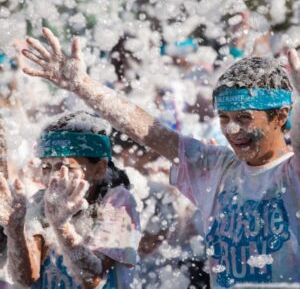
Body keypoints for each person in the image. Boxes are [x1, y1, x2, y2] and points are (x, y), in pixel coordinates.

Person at [22, 28, 300, 288]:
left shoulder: (292, 173)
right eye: (224, 118)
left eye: (244, 118)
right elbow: (150, 131)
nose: (232, 130)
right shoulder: (217, 168)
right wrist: (82, 85)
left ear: (281, 116)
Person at [0, 111, 141, 289]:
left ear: (99, 169)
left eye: (64, 167)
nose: (52, 177)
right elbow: (26, 279)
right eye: (46, 167)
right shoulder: (42, 201)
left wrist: (61, 226)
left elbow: (92, 279)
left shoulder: (116, 201)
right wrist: (15, 228)